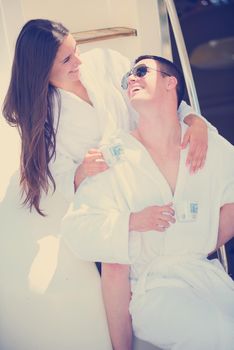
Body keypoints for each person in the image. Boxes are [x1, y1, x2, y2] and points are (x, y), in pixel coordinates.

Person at [1, 18, 215, 350]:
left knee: (191, 224)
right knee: (118, 260)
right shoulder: (44, 117)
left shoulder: (105, 64)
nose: (80, 62)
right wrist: (81, 171)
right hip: (111, 191)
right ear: (42, 70)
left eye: (77, 50)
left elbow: (156, 97)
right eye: (67, 60)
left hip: (152, 165)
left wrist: (193, 120)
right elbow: (53, 175)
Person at [61, 55, 234, 350]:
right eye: (127, 76)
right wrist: (131, 221)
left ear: (171, 82)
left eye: (141, 71)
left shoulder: (204, 143)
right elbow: (78, 230)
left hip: (206, 278)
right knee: (214, 331)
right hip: (154, 291)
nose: (131, 79)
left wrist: (199, 240)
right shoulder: (113, 156)